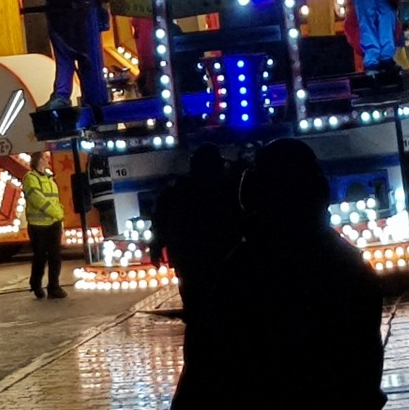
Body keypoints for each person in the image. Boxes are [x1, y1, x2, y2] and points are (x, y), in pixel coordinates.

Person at [174, 138, 385, 410]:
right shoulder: (349, 265)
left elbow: (204, 368)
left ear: (253, 195)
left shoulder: (241, 272)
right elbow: (365, 367)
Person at [149, 143, 242, 318]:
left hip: (188, 257)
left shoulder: (176, 192)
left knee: (194, 302)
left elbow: (161, 222)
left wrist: (155, 249)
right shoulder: (230, 189)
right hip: (223, 255)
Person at [23, 150, 67, 299]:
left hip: (53, 223)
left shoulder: (50, 179)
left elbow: (55, 200)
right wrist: (57, 213)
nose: (48, 160)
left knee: (55, 256)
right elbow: (38, 200)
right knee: (40, 257)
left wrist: (59, 214)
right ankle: (36, 284)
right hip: (38, 226)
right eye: (45, 158)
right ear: (39, 160)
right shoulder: (30, 178)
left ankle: (54, 287)